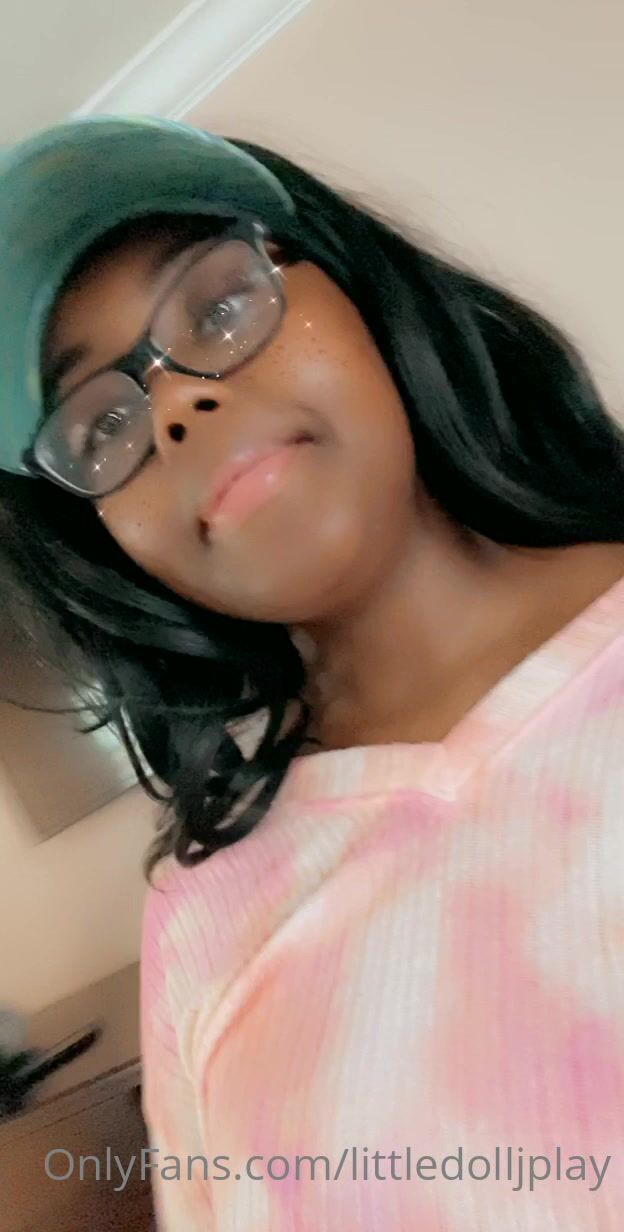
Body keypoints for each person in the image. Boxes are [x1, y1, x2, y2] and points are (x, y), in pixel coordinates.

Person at [1, 115, 623, 1231]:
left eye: (218, 308)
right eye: (101, 426)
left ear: (352, 286)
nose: (177, 406)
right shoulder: (200, 920)